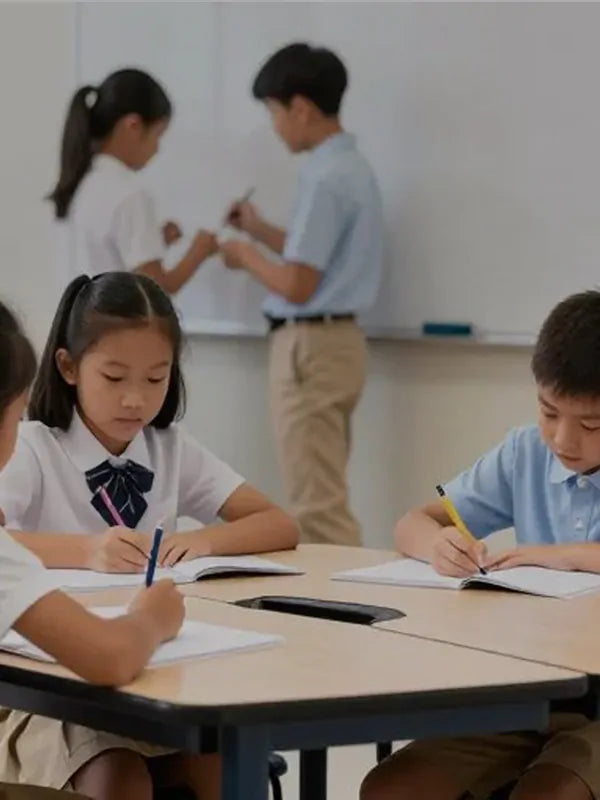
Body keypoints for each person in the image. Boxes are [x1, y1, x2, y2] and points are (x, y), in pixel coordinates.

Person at [0, 271, 298, 799]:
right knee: (117, 774)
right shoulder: (36, 446)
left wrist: (203, 541)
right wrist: (86, 551)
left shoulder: (168, 448)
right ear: (67, 366)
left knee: (219, 764)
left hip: (155, 674)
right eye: (115, 378)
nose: (135, 400)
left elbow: (279, 522)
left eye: (156, 379)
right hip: (62, 683)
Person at [361, 290, 600, 800]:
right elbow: (412, 521)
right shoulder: (524, 453)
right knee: (392, 789)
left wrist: (564, 557)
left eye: (591, 425)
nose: (563, 440)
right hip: (527, 696)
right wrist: (438, 544)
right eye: (548, 411)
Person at [0, 299, 185, 799]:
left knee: (199, 757)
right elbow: (109, 657)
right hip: (24, 713)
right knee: (116, 766)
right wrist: (152, 616)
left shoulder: (169, 445)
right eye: (16, 420)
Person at [220, 43, 384, 546]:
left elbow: (298, 283)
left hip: (310, 349)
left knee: (317, 510)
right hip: (336, 345)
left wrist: (242, 255)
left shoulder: (325, 176)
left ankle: (346, 618)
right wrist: (259, 231)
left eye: (273, 112)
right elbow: (311, 257)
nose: (273, 126)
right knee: (323, 495)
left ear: (301, 108)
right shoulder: (349, 166)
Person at [48, 68, 217, 294]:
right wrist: (199, 251)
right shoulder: (130, 195)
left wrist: (154, 241)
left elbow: (106, 260)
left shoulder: (82, 182)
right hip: (115, 327)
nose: (157, 149)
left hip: (81, 323)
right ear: (133, 126)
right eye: (158, 135)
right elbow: (154, 291)